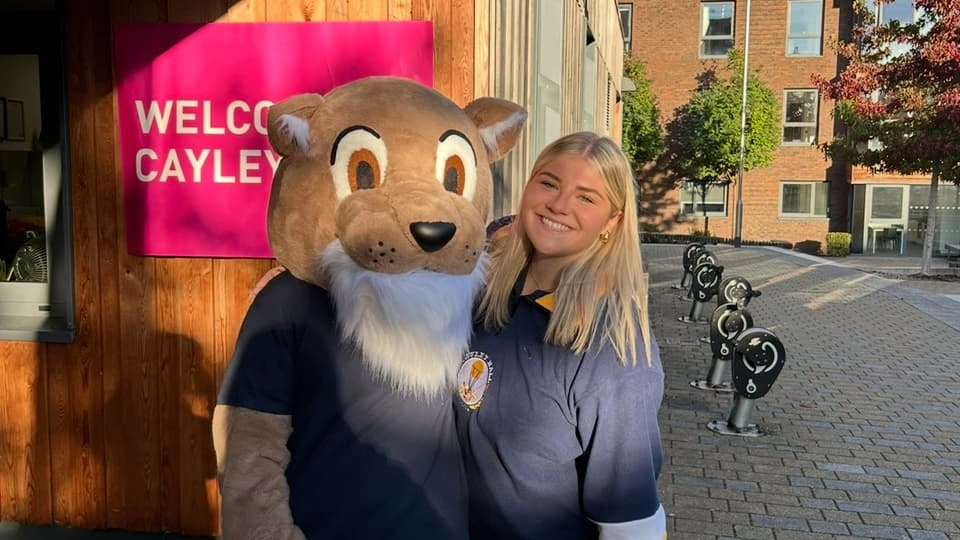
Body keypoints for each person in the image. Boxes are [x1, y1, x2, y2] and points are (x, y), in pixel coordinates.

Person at [453, 131, 667, 539]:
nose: (559, 204)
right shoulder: (485, 288)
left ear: (613, 221)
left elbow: (631, 527)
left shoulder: (613, 349)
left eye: (586, 197)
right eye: (549, 183)